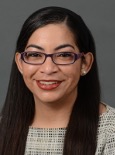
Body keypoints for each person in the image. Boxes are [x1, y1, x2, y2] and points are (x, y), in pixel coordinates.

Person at [0, 6, 115, 155]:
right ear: (20, 63)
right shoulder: (3, 128)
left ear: (85, 63)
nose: (48, 69)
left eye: (64, 55)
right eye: (35, 55)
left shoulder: (110, 131)